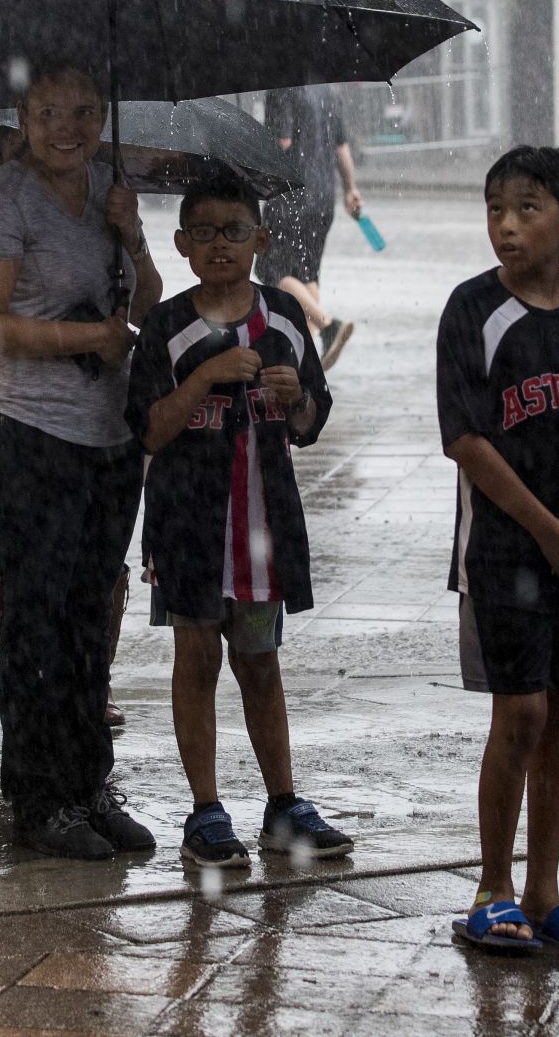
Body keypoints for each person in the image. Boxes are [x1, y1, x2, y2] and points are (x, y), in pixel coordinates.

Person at [0, 63, 162, 860]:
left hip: (107, 439)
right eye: (49, 112)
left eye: (83, 111)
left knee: (89, 621)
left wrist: (132, 232)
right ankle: (39, 793)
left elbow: (146, 302)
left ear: (103, 113)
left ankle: (89, 782)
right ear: (24, 113)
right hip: (28, 435)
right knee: (36, 619)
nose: (67, 127)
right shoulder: (3, 201)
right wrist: (85, 339)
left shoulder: (110, 189)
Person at [127, 174, 353, 870]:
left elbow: (313, 418)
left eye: (234, 230)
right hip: (189, 525)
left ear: (261, 239)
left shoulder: (284, 316)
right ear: (182, 245)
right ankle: (206, 808)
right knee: (196, 657)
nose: (219, 245)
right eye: (204, 232)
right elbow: (148, 429)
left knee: (260, 660)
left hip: (264, 528)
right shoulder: (166, 325)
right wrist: (206, 377)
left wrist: (296, 401)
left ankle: (283, 802)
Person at [440, 146, 559, 957]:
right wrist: (549, 530)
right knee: (519, 711)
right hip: (505, 551)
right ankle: (493, 885)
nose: (506, 225)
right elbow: (467, 441)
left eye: (526, 208)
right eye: (494, 209)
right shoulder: (472, 310)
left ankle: (548, 885)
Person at [257, 83, 363, 370]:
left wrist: (252, 143)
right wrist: (350, 188)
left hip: (291, 195)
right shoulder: (328, 90)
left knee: (271, 269)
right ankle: (309, 355)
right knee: (307, 274)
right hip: (322, 197)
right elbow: (341, 146)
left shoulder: (282, 88)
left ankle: (328, 326)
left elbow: (282, 143)